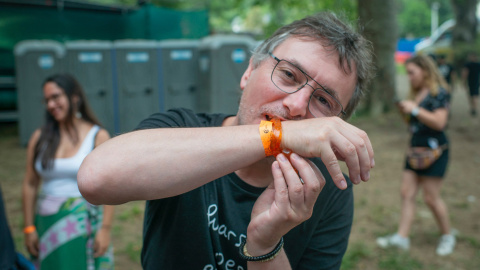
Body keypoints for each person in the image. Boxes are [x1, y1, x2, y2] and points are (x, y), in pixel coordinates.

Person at [78, 12, 375, 269]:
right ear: (249, 71)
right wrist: (277, 136)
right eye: (288, 74)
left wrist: (265, 244)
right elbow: (95, 178)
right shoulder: (182, 129)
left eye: (323, 100)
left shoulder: (329, 189)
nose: (297, 105)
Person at [21, 74, 114, 269]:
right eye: (47, 100)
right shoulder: (40, 137)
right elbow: (30, 184)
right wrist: (29, 227)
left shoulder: (98, 136)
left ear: (74, 97)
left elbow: (109, 188)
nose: (51, 105)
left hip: (84, 225)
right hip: (46, 223)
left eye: (56, 97)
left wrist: (105, 229)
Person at [377, 55, 455, 256]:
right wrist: (406, 112)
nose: (409, 77)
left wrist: (416, 109)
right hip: (415, 149)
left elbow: (439, 123)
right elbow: (415, 123)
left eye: (412, 72)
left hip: (435, 150)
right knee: (407, 193)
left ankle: (447, 235)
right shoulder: (417, 93)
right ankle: (402, 238)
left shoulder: (440, 93)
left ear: (426, 70)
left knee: (430, 198)